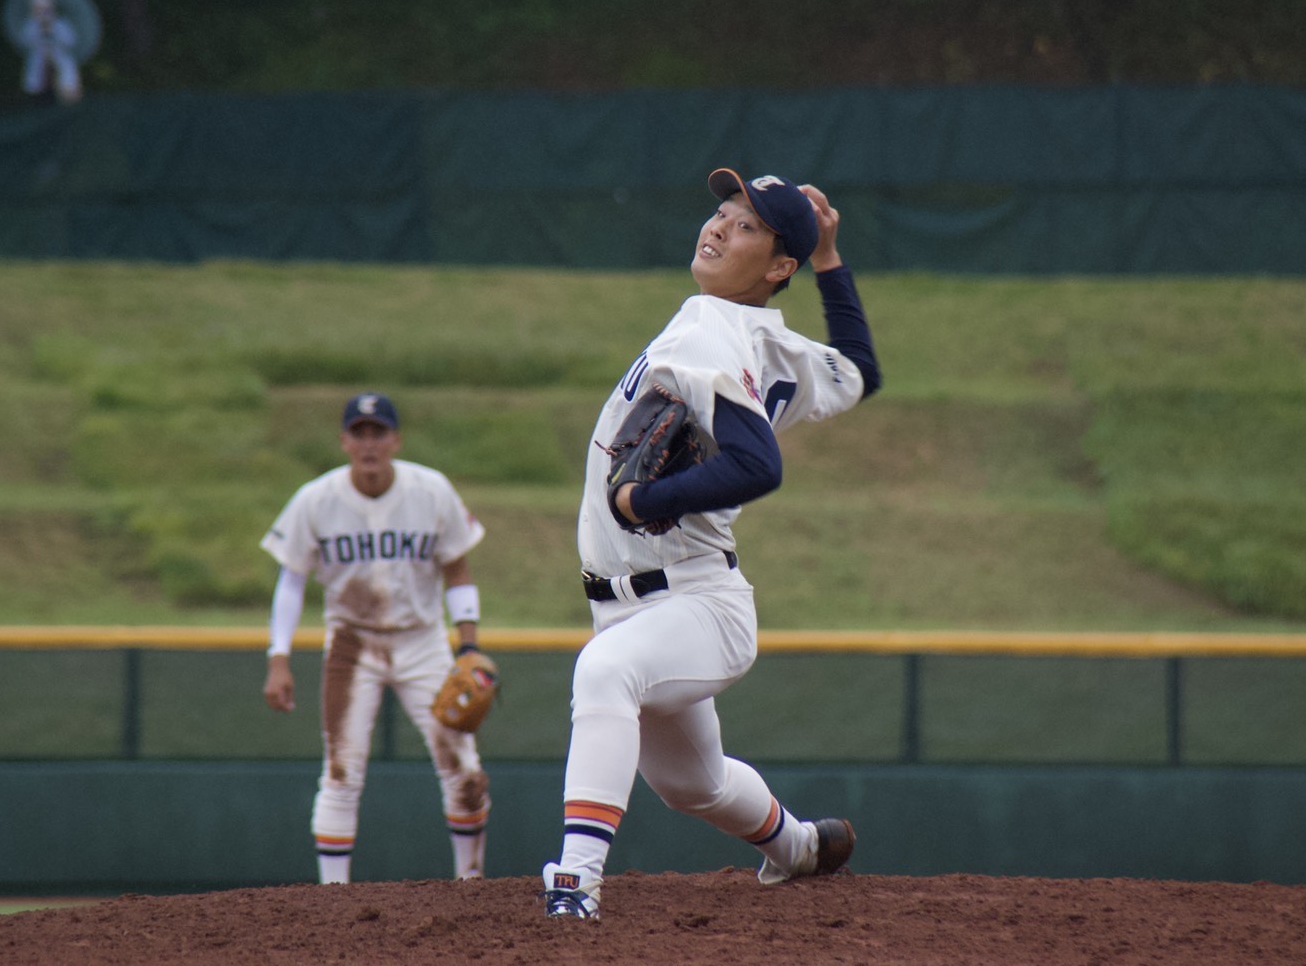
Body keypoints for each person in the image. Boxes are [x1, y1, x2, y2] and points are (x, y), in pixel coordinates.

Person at [541, 169, 882, 919]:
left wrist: (642, 499)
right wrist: (830, 257)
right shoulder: (772, 342)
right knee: (694, 785)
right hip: (651, 602)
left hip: (695, 599)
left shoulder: (707, 327)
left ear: (774, 267)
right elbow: (861, 368)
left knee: (604, 676)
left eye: (749, 226)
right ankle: (797, 847)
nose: (722, 226)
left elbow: (758, 465)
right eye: (723, 211)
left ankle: (576, 882)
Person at [260, 392, 492, 883]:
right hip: (351, 645)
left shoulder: (430, 490)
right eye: (359, 433)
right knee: (342, 773)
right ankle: (333, 896)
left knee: (464, 770)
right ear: (344, 441)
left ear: (395, 439)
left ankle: (470, 884)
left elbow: (458, 567)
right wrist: (278, 658)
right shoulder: (316, 499)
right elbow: (292, 580)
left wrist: (468, 645)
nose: (369, 443)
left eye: (378, 432)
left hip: (423, 641)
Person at [16, 0, 82, 105]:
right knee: (36, 84)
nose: (42, 11)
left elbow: (70, 41)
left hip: (58, 59)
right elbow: (25, 41)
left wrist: (52, 30)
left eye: (45, 8)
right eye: (38, 8)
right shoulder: (30, 25)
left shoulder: (60, 24)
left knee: (66, 79)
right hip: (39, 62)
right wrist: (39, 32)